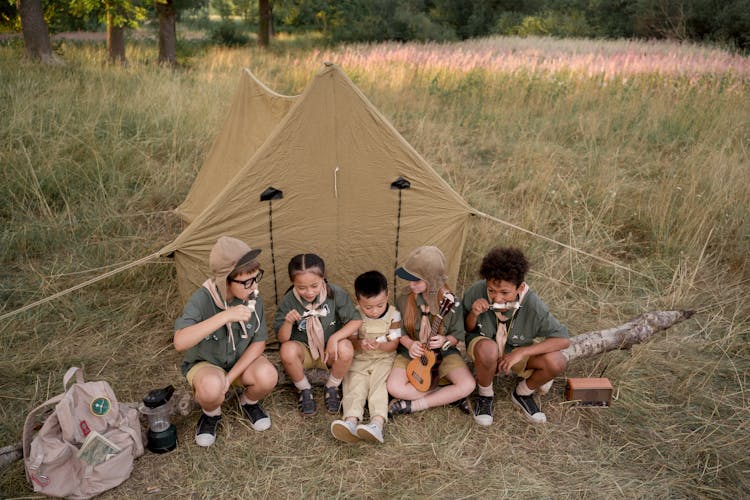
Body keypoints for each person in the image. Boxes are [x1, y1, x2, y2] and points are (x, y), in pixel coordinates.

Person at [174, 236, 279, 447]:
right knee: (211, 388)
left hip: (238, 362)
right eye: (247, 281)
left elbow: (259, 342)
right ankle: (211, 414)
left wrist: (230, 379)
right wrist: (224, 316)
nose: (254, 285)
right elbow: (180, 342)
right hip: (207, 364)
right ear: (226, 281)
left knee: (268, 375)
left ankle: (248, 402)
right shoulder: (202, 299)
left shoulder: (252, 296)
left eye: (256, 278)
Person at [462, 246, 570, 425]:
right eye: (491, 290)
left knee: (557, 361)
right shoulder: (476, 291)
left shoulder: (533, 304)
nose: (497, 298)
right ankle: (485, 395)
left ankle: (522, 393)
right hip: (485, 347)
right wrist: (473, 314)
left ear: (519, 287)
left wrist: (521, 353)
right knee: (488, 349)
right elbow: (466, 328)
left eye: (504, 292)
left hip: (516, 350)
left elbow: (563, 339)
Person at [386, 246, 475, 416]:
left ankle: (414, 405)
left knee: (468, 385)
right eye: (409, 280)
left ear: (432, 280)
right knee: (394, 387)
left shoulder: (452, 302)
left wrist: (445, 340)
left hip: (443, 353)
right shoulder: (404, 299)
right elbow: (399, 331)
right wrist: (410, 344)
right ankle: (448, 394)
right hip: (412, 353)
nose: (411, 285)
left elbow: (457, 334)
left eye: (416, 281)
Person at [274, 253, 363, 417]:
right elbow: (282, 339)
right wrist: (287, 322)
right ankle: (304, 389)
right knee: (287, 350)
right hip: (304, 351)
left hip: (328, 351)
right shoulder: (289, 301)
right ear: (293, 283)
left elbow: (355, 321)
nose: (309, 292)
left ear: (323, 277)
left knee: (346, 347)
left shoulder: (335, 294)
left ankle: (332, 386)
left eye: (314, 286)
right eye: (301, 287)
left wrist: (335, 338)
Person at [330, 271, 401, 444]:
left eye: (380, 305)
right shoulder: (355, 314)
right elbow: (352, 340)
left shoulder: (394, 314)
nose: (375, 311)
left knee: (379, 386)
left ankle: (377, 424)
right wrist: (360, 343)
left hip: (384, 358)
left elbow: (393, 344)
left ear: (388, 296)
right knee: (354, 384)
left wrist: (380, 345)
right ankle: (351, 421)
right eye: (368, 307)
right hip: (360, 359)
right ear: (357, 300)